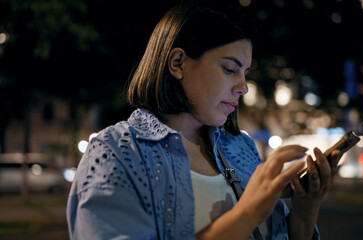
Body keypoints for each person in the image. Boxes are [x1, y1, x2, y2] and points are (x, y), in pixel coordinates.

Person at [66, 0, 341, 239]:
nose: (243, 86)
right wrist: (247, 214)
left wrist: (305, 211)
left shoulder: (240, 149)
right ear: (178, 63)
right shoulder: (116, 152)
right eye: (229, 68)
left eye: (245, 72)